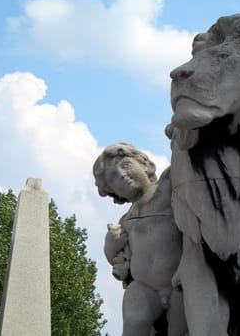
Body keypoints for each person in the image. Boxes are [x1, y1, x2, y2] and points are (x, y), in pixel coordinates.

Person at [93, 143, 186, 336]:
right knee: (134, 321)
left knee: (180, 331)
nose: (121, 174)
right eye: (112, 178)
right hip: (145, 289)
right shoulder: (124, 222)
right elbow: (119, 260)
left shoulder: (167, 186)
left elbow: (185, 159)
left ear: (144, 164)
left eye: (126, 165)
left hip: (179, 284)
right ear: (113, 192)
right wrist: (110, 247)